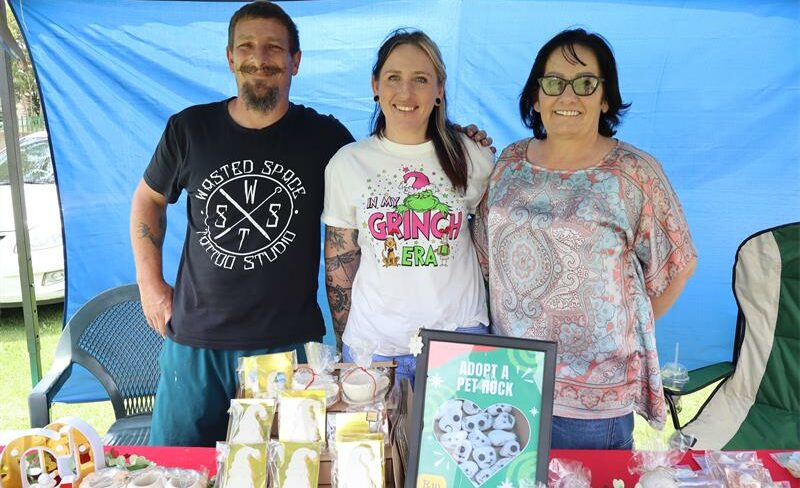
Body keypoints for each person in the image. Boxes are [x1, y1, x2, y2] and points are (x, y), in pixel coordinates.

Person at [129, 2, 354, 446]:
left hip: (287, 345)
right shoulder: (190, 129)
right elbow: (148, 200)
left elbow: (381, 174)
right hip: (196, 344)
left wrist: (454, 140)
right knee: (177, 470)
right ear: (230, 57)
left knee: (287, 468)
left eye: (274, 47)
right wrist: (149, 285)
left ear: (295, 62)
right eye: (247, 46)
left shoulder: (324, 138)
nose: (260, 57)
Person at [473, 28, 697, 449]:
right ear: (536, 97)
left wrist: (624, 331)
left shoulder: (633, 174)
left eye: (585, 83)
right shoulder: (507, 162)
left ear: (605, 97)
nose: (568, 96)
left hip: (593, 407)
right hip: (511, 382)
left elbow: (679, 265)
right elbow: (483, 255)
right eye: (554, 82)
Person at [322, 29, 494, 387]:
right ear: (375, 85)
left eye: (421, 79)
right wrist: (345, 343)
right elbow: (340, 262)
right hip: (375, 345)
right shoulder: (347, 164)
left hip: (458, 340)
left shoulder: (472, 156)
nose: (406, 92)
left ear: (439, 89)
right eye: (393, 78)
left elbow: (493, 247)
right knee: (376, 445)